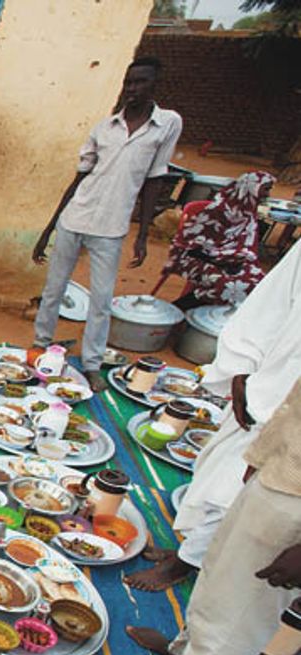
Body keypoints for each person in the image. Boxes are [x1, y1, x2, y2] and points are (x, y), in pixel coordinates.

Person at [111, 374, 301, 655]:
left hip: (294, 508)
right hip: (282, 474)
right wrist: (263, 455)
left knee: (244, 609)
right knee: (218, 574)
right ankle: (187, 653)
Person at [125, 240, 301, 593]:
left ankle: (185, 564)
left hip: (287, 412)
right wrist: (240, 367)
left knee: (230, 491)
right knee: (219, 471)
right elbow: (271, 304)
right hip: (265, 381)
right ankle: (189, 552)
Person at [31, 57, 182, 391]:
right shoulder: (104, 128)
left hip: (111, 228)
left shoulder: (166, 125)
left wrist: (143, 234)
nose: (133, 89)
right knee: (54, 288)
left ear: (154, 86)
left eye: (140, 82)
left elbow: (154, 181)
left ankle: (92, 363)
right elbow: (78, 179)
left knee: (101, 299)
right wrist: (49, 229)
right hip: (76, 218)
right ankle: (40, 346)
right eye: (129, 82)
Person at [161, 170, 274, 310]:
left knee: (260, 284)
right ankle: (179, 309)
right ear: (252, 187)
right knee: (226, 285)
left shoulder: (248, 213)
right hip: (192, 259)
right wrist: (224, 259)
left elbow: (244, 247)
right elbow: (193, 247)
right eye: (266, 189)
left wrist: (233, 258)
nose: (268, 194)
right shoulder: (218, 210)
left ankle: (215, 318)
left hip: (228, 260)